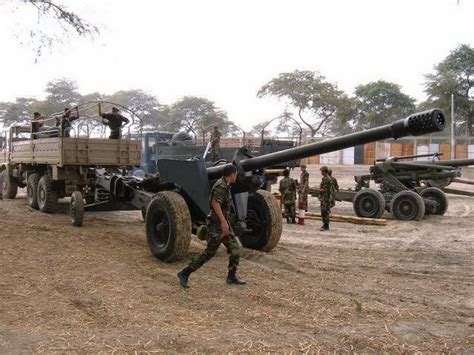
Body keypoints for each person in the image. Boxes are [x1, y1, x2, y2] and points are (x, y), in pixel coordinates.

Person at [177, 164, 246, 288]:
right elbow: (215, 204)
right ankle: (184, 273)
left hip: (223, 224)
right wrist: (224, 222)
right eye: (236, 174)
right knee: (208, 253)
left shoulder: (226, 185)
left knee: (235, 249)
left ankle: (231, 276)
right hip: (216, 226)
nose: (236, 176)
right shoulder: (221, 186)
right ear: (232, 174)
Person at [314, 166, 333, 231]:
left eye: (321, 171)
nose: (321, 173)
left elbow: (324, 189)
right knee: (325, 211)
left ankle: (326, 225)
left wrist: (317, 190)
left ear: (324, 171)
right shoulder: (327, 178)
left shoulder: (326, 179)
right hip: (326, 197)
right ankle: (325, 224)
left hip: (326, 198)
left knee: (325, 211)